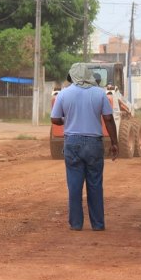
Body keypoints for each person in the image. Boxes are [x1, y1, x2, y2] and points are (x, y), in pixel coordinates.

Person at [50, 63, 119, 231]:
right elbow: (109, 119)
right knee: (95, 184)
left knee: (74, 186)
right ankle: (98, 224)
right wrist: (115, 142)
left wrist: (67, 120)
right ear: (88, 75)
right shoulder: (99, 93)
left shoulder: (64, 94)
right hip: (94, 144)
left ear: (72, 77)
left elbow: (55, 119)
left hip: (72, 142)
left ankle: (76, 224)